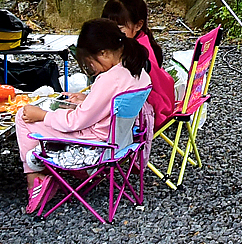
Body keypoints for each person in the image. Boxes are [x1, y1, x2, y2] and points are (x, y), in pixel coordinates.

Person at [13, 18, 151, 181]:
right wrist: (88, 100)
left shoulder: (109, 79)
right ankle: (44, 174)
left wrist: (43, 115)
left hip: (95, 145)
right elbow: (113, 105)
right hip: (121, 142)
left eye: (90, 63)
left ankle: (36, 179)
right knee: (60, 111)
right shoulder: (139, 73)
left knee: (23, 117)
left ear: (103, 53)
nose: (92, 69)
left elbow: (76, 122)